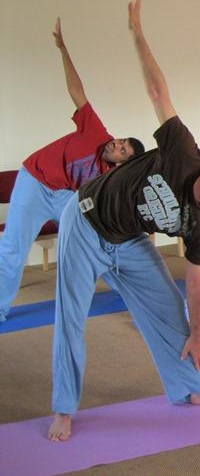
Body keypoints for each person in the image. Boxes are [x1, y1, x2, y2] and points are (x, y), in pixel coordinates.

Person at [47, 0, 200, 441]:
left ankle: (193, 389)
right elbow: (158, 92)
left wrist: (199, 335)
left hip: (127, 240)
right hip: (86, 221)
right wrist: (137, 32)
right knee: (71, 314)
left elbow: (198, 281)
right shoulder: (183, 152)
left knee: (171, 310)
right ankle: (64, 407)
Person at [0, 18, 145, 322]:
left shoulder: (109, 181)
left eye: (121, 149)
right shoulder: (96, 131)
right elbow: (77, 89)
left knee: (102, 242)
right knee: (13, 248)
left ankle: (136, 295)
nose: (115, 144)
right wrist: (63, 49)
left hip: (65, 196)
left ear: (122, 163)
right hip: (34, 182)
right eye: (119, 140)